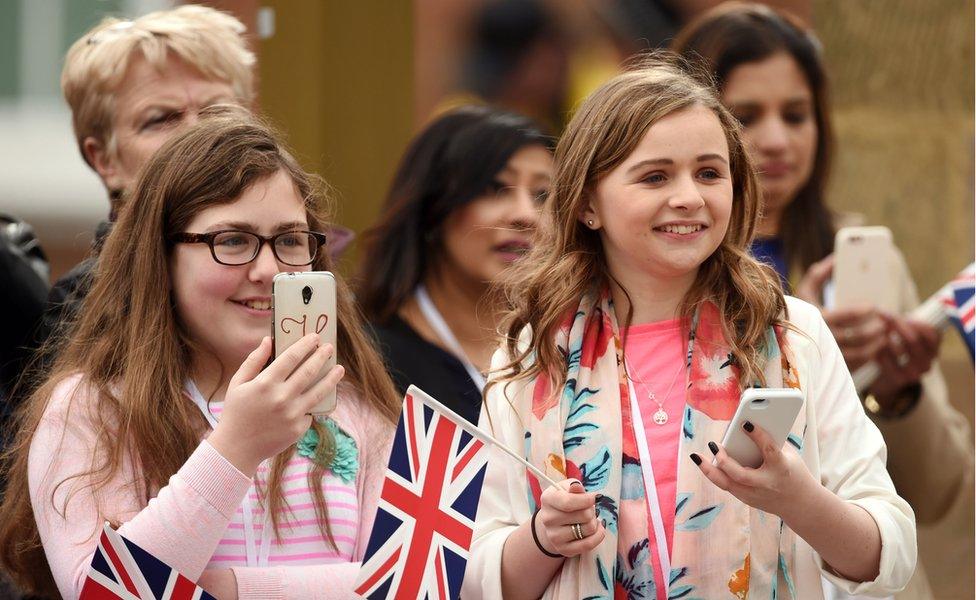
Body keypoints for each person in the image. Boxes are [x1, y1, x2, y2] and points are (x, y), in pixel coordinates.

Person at [462, 55, 915, 600]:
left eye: (709, 173)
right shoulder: (534, 355)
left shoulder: (793, 334)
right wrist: (542, 538)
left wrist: (798, 497)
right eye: (655, 176)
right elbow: (476, 571)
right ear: (587, 203)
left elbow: (891, 553)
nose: (689, 197)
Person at [0, 109, 401, 599]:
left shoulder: (360, 408)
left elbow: (412, 584)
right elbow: (107, 593)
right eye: (233, 240)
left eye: (291, 240)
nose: (269, 269)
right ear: (160, 256)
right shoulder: (90, 408)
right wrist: (236, 447)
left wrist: (229, 590)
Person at [671, 5, 972, 597]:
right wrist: (796, 341)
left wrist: (899, 392)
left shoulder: (862, 261)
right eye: (747, 115)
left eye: (797, 114)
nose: (777, 140)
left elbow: (937, 495)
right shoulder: (664, 263)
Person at [31, 5, 256, 364]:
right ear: (105, 159)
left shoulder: (297, 257)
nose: (198, 133)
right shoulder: (87, 303)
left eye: (217, 111)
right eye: (161, 119)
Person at [356, 105, 552, 423]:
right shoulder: (367, 362)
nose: (525, 215)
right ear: (433, 207)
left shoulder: (567, 350)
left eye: (542, 195)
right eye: (496, 188)